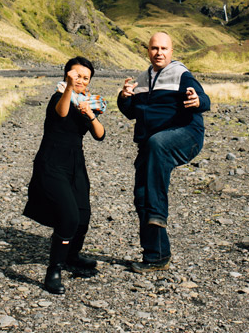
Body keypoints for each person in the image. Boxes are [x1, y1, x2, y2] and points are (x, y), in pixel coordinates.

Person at [117, 32, 210, 273]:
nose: (159, 52)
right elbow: (131, 112)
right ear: (148, 51)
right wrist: (124, 97)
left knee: (158, 144)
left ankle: (158, 213)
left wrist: (197, 100)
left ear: (172, 51)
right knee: (142, 195)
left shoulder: (181, 75)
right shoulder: (142, 79)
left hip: (186, 134)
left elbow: (203, 98)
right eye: (154, 48)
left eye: (164, 48)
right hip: (151, 144)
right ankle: (156, 256)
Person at [23, 56, 106, 294]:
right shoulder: (58, 97)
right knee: (68, 216)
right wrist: (69, 88)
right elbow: (61, 113)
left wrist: (90, 114)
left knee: (83, 215)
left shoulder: (85, 103)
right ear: (66, 75)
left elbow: (100, 135)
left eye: (85, 78)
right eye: (76, 75)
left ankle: (72, 256)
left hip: (75, 164)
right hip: (51, 163)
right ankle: (54, 270)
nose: (80, 80)